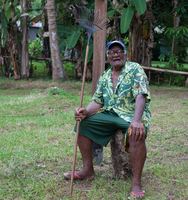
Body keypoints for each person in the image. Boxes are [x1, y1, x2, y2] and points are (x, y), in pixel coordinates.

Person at [64, 40, 151, 199]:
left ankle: (136, 183)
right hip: (110, 113)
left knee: (136, 133)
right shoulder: (105, 75)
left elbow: (141, 95)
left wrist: (137, 120)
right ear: (108, 56)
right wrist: (85, 111)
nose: (115, 54)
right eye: (111, 52)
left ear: (125, 54)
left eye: (119, 51)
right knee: (83, 124)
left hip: (131, 114)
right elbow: (97, 101)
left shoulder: (134, 69)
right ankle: (88, 170)